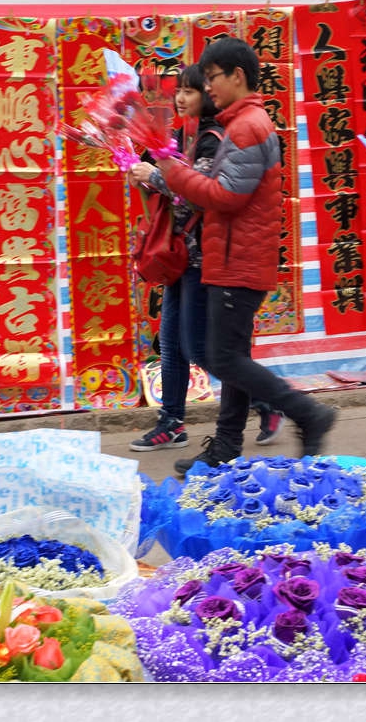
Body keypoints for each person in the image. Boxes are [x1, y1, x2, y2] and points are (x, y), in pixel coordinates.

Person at [157, 37, 335, 474]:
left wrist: (172, 173)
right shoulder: (243, 122)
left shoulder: (246, 127)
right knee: (232, 354)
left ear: (237, 76)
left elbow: (227, 195)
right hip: (234, 255)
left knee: (222, 357)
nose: (207, 87)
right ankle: (226, 444)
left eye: (212, 78)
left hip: (238, 259)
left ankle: (308, 413)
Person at [127, 65, 285, 452]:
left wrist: (156, 176)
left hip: (204, 256)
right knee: (170, 343)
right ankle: (172, 422)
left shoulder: (214, 139)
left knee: (201, 349)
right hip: (177, 251)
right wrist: (142, 172)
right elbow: (171, 188)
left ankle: (268, 399)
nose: (180, 98)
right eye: (178, 91)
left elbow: (199, 194)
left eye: (190, 91)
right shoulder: (180, 136)